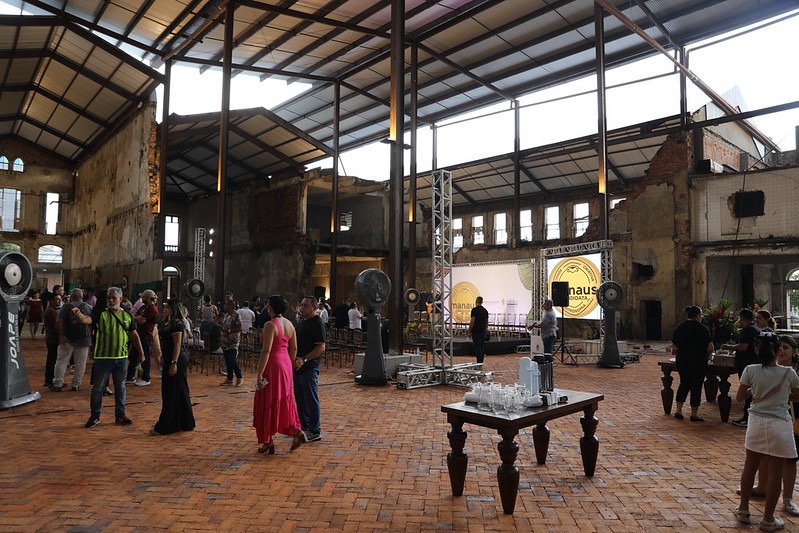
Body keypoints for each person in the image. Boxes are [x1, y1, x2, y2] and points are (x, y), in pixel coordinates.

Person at [734, 330, 799, 531]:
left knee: (750, 466)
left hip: (756, 422)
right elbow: (797, 396)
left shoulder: (750, 370)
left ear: (756, 349)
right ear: (779, 351)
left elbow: (740, 397)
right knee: (775, 474)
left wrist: (755, 390)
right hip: (780, 424)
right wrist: (781, 395)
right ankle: (768, 519)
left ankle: (743, 510)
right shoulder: (789, 373)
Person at [86, 287, 145, 428]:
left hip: (121, 358)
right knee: (98, 388)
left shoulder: (127, 316)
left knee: (120, 386)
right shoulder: (101, 314)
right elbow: (87, 320)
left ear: (121, 299)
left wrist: (141, 353)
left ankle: (120, 414)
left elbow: (134, 335)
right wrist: (79, 316)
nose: (111, 300)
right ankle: (95, 415)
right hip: (103, 358)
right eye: (109, 298)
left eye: (114, 298)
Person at [253, 294, 305, 454]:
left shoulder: (270, 325)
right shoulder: (289, 324)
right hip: (285, 364)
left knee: (267, 400)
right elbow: (294, 348)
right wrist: (289, 363)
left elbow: (266, 350)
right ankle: (296, 431)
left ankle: (267, 440)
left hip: (273, 364)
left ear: (270, 307)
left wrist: (259, 374)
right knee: (284, 398)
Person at [150, 299, 195, 436]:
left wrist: (174, 363)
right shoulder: (167, 323)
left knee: (172, 392)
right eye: (165, 307)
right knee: (178, 390)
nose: (165, 309)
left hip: (177, 359)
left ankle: (166, 425)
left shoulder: (177, 324)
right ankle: (185, 422)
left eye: (168, 308)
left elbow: (177, 344)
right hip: (169, 356)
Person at [671, 305, 713, 421]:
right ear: (698, 316)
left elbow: (674, 347)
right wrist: (708, 356)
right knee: (696, 386)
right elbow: (710, 347)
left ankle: (678, 410)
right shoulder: (703, 329)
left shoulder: (680, 327)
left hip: (682, 359)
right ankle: (694, 414)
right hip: (698, 360)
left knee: (684, 383)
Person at [294, 296, 326, 443]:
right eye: (302, 305)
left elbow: (321, 347)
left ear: (314, 308)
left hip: (309, 367)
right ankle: (304, 426)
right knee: (300, 398)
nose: (302, 308)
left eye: (306, 305)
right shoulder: (302, 323)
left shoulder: (317, 323)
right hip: (298, 367)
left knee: (311, 399)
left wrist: (304, 359)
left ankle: (314, 430)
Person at [52, 288, 93, 392]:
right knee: (80, 363)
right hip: (84, 340)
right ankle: (76, 384)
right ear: (81, 297)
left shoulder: (66, 307)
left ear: (72, 297)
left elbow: (59, 322)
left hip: (67, 339)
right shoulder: (88, 307)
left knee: (61, 361)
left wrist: (62, 335)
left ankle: (58, 383)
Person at [727, 309, 760, 427]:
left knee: (747, 391)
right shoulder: (754, 329)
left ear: (742, 318)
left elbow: (743, 346)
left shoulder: (747, 330)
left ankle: (747, 418)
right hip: (753, 362)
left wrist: (729, 347)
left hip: (747, 362)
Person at [131, 289, 159, 386]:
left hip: (146, 336)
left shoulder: (152, 309)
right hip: (139, 335)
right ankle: (130, 376)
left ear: (148, 298)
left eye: (143, 297)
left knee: (145, 357)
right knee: (133, 356)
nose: (141, 298)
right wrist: (136, 318)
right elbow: (137, 317)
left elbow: (141, 320)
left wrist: (135, 318)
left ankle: (146, 378)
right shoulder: (143, 307)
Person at [220, 300, 244, 387]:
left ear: (231, 306)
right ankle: (229, 378)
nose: (225, 306)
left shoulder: (236, 315)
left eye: (227, 305)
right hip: (225, 341)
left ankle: (239, 377)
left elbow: (240, 328)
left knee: (232, 359)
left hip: (233, 341)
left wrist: (230, 331)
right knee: (227, 360)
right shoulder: (227, 315)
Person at [42, 293, 62, 387]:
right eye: (57, 299)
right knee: (52, 360)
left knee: (52, 359)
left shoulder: (53, 310)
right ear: (51, 301)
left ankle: (50, 379)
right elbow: (56, 325)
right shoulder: (51, 311)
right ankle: (50, 380)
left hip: (53, 338)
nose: (59, 301)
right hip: (53, 338)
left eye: (60, 299)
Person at [468, 296, 489, 364]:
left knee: (477, 347)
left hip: (476, 331)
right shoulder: (485, 311)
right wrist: (485, 329)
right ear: (482, 302)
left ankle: (479, 361)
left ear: (476, 301)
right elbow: (486, 322)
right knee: (482, 346)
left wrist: (469, 330)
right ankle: (481, 361)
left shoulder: (474, 310)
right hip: (482, 331)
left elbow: (472, 321)